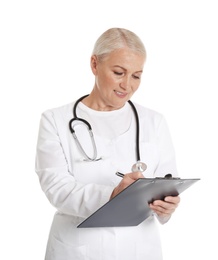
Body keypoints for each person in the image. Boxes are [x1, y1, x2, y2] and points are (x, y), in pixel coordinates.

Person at [35, 27, 180, 260]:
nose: (127, 85)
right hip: (78, 249)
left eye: (136, 75)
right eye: (119, 72)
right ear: (94, 64)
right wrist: (112, 194)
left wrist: (167, 206)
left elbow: (168, 182)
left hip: (140, 248)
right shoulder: (56, 120)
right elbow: (56, 188)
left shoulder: (154, 121)